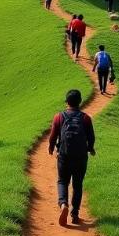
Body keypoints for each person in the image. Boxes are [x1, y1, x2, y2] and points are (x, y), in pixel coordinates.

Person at [48, 89, 95, 225]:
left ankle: (63, 204)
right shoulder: (85, 118)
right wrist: (90, 149)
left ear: (66, 102)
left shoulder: (59, 117)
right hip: (80, 157)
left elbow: (53, 135)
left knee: (62, 181)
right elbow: (91, 137)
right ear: (80, 102)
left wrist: (51, 147)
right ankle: (75, 215)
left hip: (64, 155)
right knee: (78, 184)